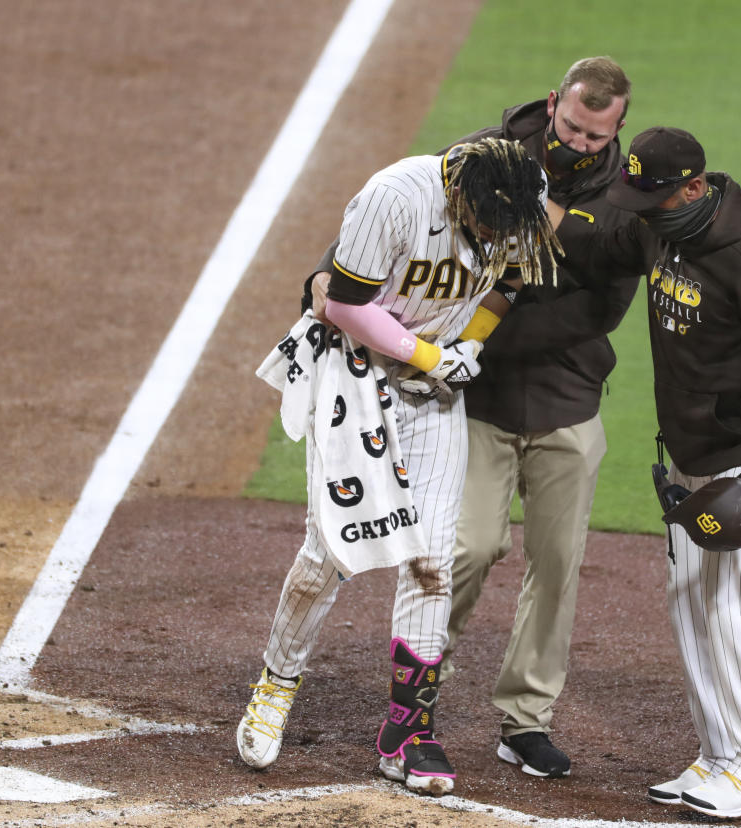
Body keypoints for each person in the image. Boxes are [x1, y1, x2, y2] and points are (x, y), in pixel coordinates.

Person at [237, 137, 559, 798]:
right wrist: (428, 356)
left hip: (434, 396)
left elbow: (509, 283)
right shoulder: (395, 197)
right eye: (488, 222)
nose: (497, 235)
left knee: (431, 561)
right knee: (326, 555)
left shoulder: (522, 205)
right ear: (465, 193)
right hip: (354, 379)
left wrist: (468, 345)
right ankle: (276, 681)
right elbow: (342, 305)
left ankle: (406, 734)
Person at [546, 126, 741, 818]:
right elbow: (592, 240)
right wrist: (532, 205)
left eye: (654, 198)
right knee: (691, 600)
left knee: (728, 607)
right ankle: (723, 756)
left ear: (694, 188)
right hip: (691, 454)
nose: (641, 211)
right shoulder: (655, 228)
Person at [441, 56, 638, 779]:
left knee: (556, 565)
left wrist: (509, 296)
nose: (579, 144)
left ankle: (525, 720)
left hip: (567, 403)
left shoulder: (627, 198)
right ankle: (417, 690)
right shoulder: (483, 159)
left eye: (594, 137)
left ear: (618, 127)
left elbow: (603, 310)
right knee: (466, 548)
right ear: (554, 103)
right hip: (478, 403)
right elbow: (405, 222)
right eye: (571, 128)